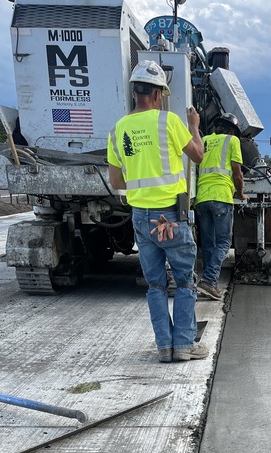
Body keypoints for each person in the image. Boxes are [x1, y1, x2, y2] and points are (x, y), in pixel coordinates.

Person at [107, 60, 206, 363]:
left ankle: (164, 346)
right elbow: (198, 155)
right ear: (158, 93)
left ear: (134, 92)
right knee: (185, 280)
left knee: (155, 284)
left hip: (141, 217)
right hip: (170, 216)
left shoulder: (118, 129)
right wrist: (194, 127)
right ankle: (184, 344)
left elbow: (116, 182)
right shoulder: (169, 122)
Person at [194, 112, 247, 300]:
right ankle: (209, 281)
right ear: (232, 130)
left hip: (202, 197)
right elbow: (237, 174)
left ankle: (209, 284)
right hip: (221, 196)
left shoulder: (205, 140)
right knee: (223, 243)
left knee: (208, 243)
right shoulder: (232, 141)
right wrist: (240, 193)